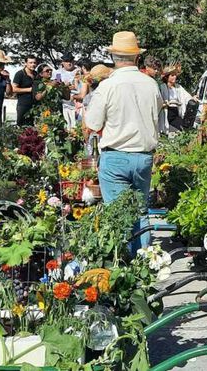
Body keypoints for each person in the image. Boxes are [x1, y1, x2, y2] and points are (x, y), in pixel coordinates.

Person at [84, 32, 162, 251]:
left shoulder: (108, 86)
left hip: (116, 154)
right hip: (143, 156)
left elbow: (93, 122)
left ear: (113, 57)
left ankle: (123, 267)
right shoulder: (150, 84)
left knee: (117, 215)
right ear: (137, 58)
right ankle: (145, 264)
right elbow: (157, 115)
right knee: (140, 212)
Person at [159, 64, 196, 134]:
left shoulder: (178, 87)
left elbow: (186, 96)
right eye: (172, 75)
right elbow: (158, 100)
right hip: (167, 112)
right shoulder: (162, 87)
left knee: (184, 127)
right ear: (167, 77)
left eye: (175, 75)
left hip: (176, 112)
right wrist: (165, 103)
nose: (175, 77)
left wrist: (192, 98)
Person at [12, 55, 40, 125]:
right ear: (25, 63)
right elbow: (14, 89)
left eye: (34, 63)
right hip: (23, 105)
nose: (33, 65)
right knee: (21, 126)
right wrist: (29, 89)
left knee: (33, 127)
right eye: (30, 63)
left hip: (35, 105)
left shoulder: (36, 74)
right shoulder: (20, 74)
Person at [55, 54, 80, 129]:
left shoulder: (78, 71)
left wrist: (69, 86)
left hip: (77, 103)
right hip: (64, 103)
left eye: (71, 61)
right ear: (62, 63)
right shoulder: (58, 73)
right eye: (67, 61)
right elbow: (58, 85)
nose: (69, 63)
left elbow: (81, 86)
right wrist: (65, 86)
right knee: (67, 126)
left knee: (76, 125)